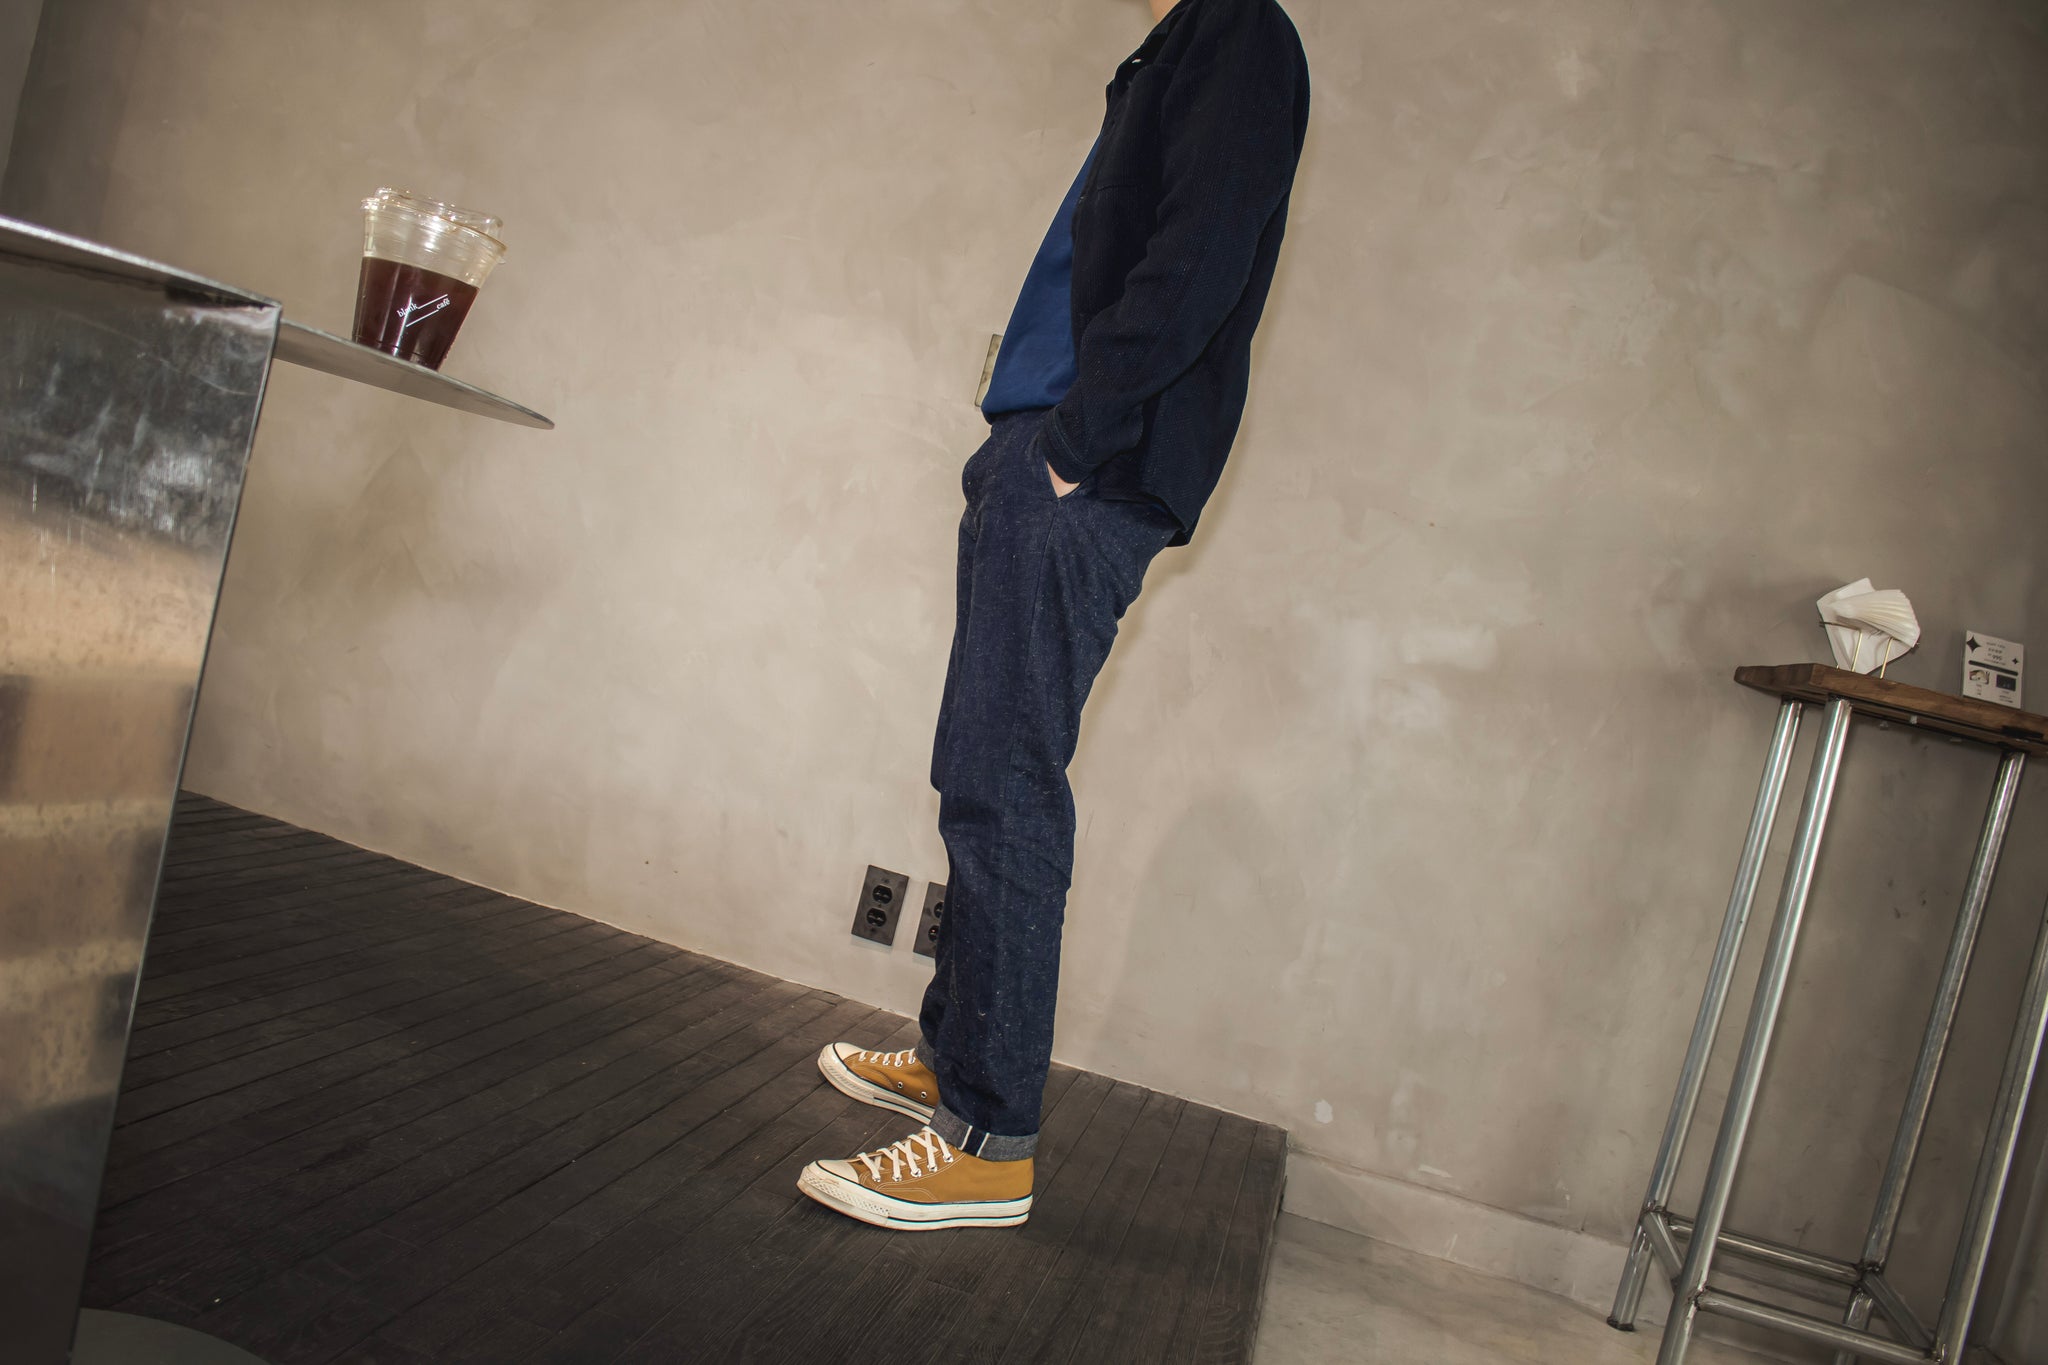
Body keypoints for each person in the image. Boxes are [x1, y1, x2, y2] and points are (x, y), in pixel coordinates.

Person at [798, 0, 1310, 1231]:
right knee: (976, 772)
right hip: (1042, 450)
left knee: (1004, 787)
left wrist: (1075, 445)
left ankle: (985, 1144)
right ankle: (954, 1061)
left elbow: (1197, 256)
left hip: (1080, 466)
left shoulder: (1238, 30)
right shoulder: (1171, 50)